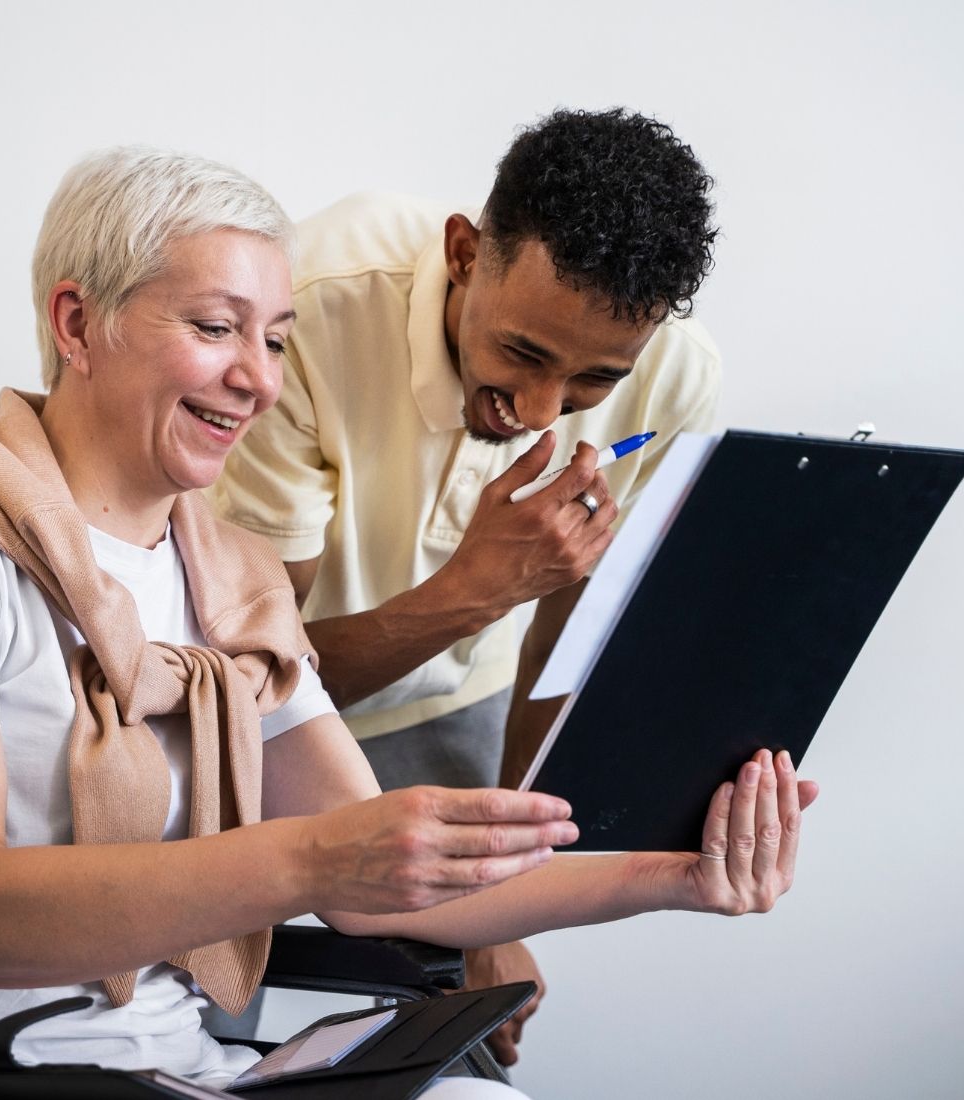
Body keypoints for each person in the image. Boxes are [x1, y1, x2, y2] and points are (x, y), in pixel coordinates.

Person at [0, 147, 813, 1099]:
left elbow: (392, 890)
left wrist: (677, 875)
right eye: (215, 328)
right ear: (77, 324)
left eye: (274, 340)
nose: (261, 380)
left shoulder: (232, 581)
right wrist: (309, 859)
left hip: (168, 1067)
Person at [212, 108, 724, 1062]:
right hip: (268, 707)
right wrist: (479, 589)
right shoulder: (306, 309)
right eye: (523, 353)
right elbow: (250, 687)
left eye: (592, 381)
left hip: (463, 706)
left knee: (464, 1031)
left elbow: (566, 639)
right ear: (462, 254)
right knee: (205, 1009)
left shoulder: (676, 381)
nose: (540, 411)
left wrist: (506, 889)